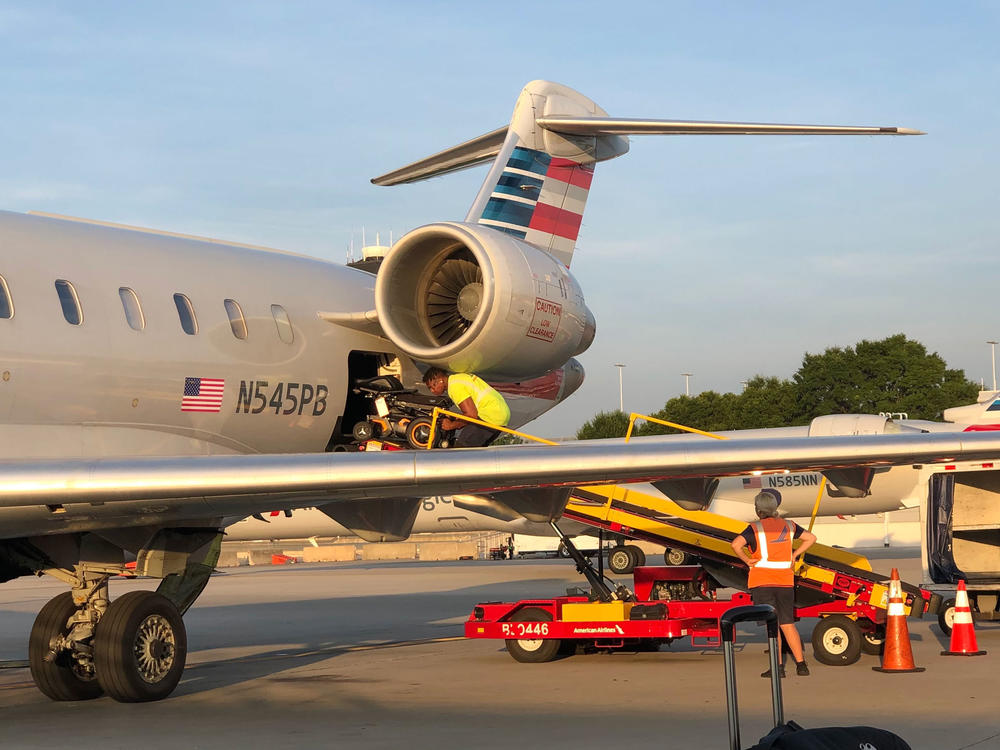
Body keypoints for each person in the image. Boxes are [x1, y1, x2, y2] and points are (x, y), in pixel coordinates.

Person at [730, 488, 817, 678]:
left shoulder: (754, 528)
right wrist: (794, 554)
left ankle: (777, 668)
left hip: (763, 582)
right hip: (785, 582)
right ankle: (802, 665)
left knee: (773, 625)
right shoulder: (789, 525)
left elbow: (736, 544)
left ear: (758, 510)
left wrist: (747, 560)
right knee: (788, 624)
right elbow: (811, 538)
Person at [422, 367, 511, 447]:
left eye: (432, 387)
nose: (432, 391)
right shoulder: (458, 379)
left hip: (491, 415)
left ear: (440, 380)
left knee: (461, 450)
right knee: (473, 454)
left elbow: (471, 415)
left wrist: (451, 425)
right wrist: (456, 420)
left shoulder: (455, 387)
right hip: (500, 414)